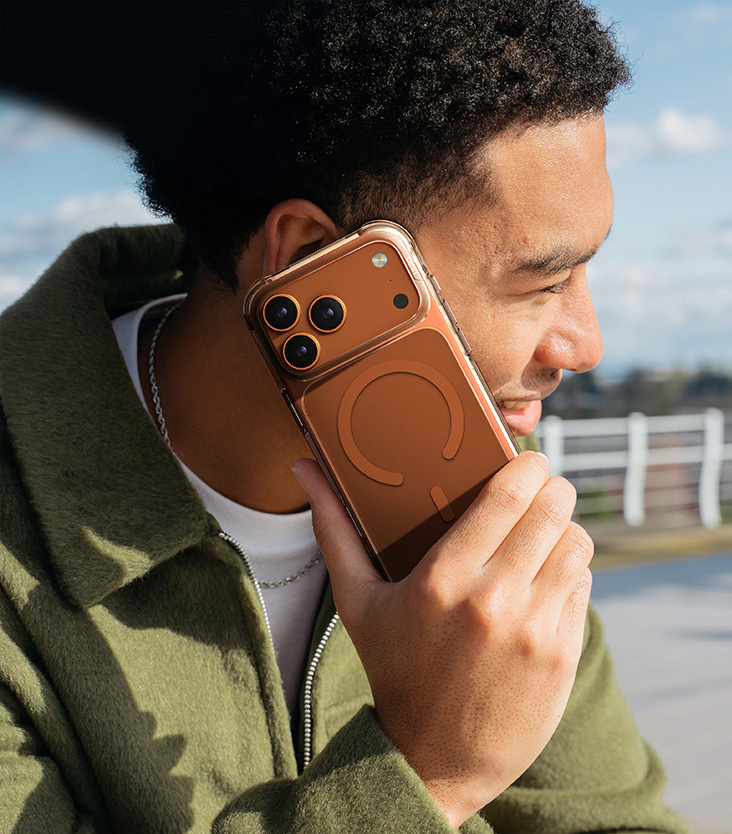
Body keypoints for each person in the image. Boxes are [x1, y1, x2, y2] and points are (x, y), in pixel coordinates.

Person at [0, 2, 688, 832]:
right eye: (543, 282)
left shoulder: (467, 489)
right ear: (309, 260)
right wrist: (426, 771)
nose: (587, 343)